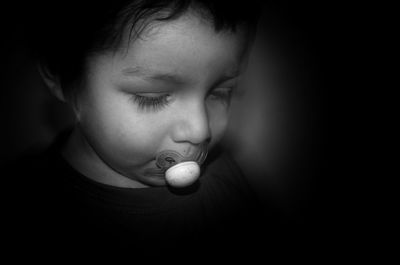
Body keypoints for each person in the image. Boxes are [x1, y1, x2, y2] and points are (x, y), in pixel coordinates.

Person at [5, 0, 270, 255]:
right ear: (62, 75)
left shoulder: (227, 180)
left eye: (220, 92)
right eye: (152, 97)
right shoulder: (26, 203)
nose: (200, 131)